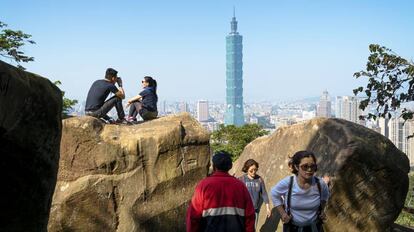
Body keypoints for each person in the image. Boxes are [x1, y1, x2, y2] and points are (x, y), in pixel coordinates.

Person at [186, 151, 255, 232]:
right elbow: (250, 217)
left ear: (214, 166)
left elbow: (193, 217)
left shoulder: (203, 186)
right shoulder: (241, 186)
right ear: (230, 166)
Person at [270, 151, 329, 232]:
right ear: (296, 167)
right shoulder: (289, 182)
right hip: (293, 228)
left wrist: (321, 210)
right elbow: (274, 193)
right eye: (305, 166)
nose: (309, 169)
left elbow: (325, 195)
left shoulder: (320, 183)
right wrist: (283, 213)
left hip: (314, 227)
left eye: (312, 166)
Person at [238, 159, 271, 229]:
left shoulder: (259, 179)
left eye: (255, 170)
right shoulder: (241, 180)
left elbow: (264, 194)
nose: (254, 172)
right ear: (246, 169)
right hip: (243, 210)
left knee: (253, 228)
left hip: (255, 210)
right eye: (251, 170)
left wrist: (268, 208)